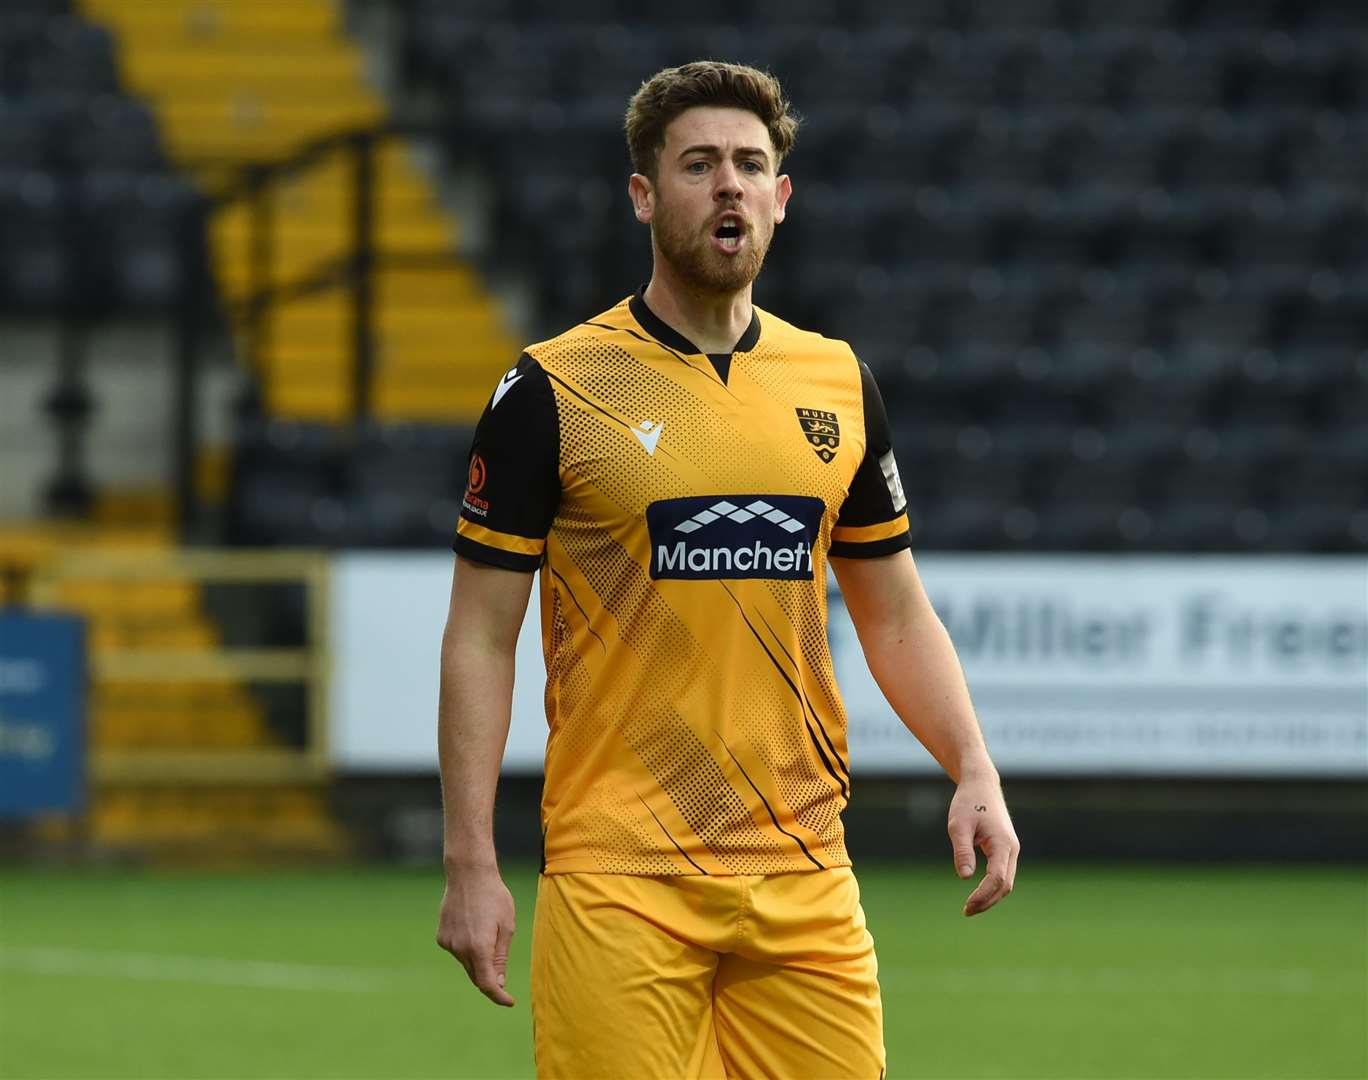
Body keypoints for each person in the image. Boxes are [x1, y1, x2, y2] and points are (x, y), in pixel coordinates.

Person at [435, 60, 1020, 1079]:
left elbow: (894, 615)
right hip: (621, 871)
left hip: (803, 870)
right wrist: (470, 862)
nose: (729, 186)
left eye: (751, 166)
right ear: (645, 196)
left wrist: (972, 765)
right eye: (699, 164)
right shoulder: (552, 388)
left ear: (781, 200)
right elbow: (481, 636)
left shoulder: (837, 381)